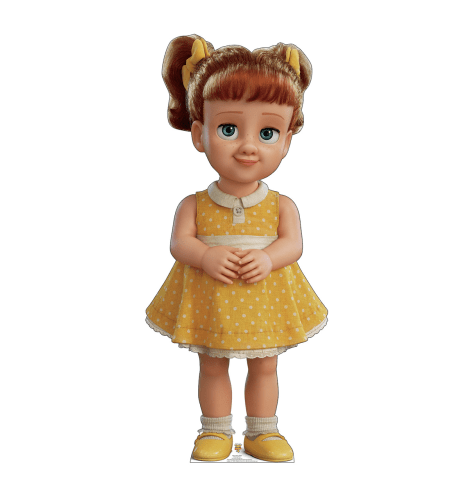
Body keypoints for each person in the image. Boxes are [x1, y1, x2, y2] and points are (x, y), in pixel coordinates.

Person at [145, 35, 328, 462]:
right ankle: (215, 430)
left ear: (286, 141)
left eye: (267, 132)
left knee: (265, 364)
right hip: (213, 298)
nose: (248, 146)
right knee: (212, 364)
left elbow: (293, 245)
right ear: (199, 134)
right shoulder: (194, 204)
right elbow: (180, 243)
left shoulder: (281, 205)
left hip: (264, 299)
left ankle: (263, 431)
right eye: (228, 129)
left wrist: (268, 257)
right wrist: (206, 255)